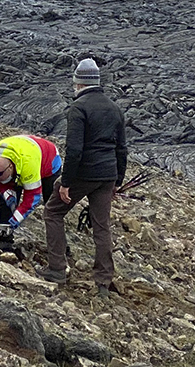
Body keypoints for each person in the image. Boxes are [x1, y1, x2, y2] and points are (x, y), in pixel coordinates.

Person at [41, 57, 129, 292]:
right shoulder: (114, 108)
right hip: (108, 174)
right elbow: (121, 148)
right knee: (102, 226)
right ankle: (103, 281)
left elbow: (75, 150)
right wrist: (117, 181)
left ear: (78, 83)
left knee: (53, 212)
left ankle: (57, 270)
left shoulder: (78, 108)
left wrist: (66, 182)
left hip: (84, 173)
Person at [0, 133, 61, 231]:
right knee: (6, 201)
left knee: (52, 208)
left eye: (0, 176)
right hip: (22, 155)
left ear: (10, 168)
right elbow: (0, 182)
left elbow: (32, 198)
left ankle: (57, 243)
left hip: (49, 162)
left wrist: (17, 218)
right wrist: (5, 192)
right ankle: (4, 238)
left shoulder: (28, 165)